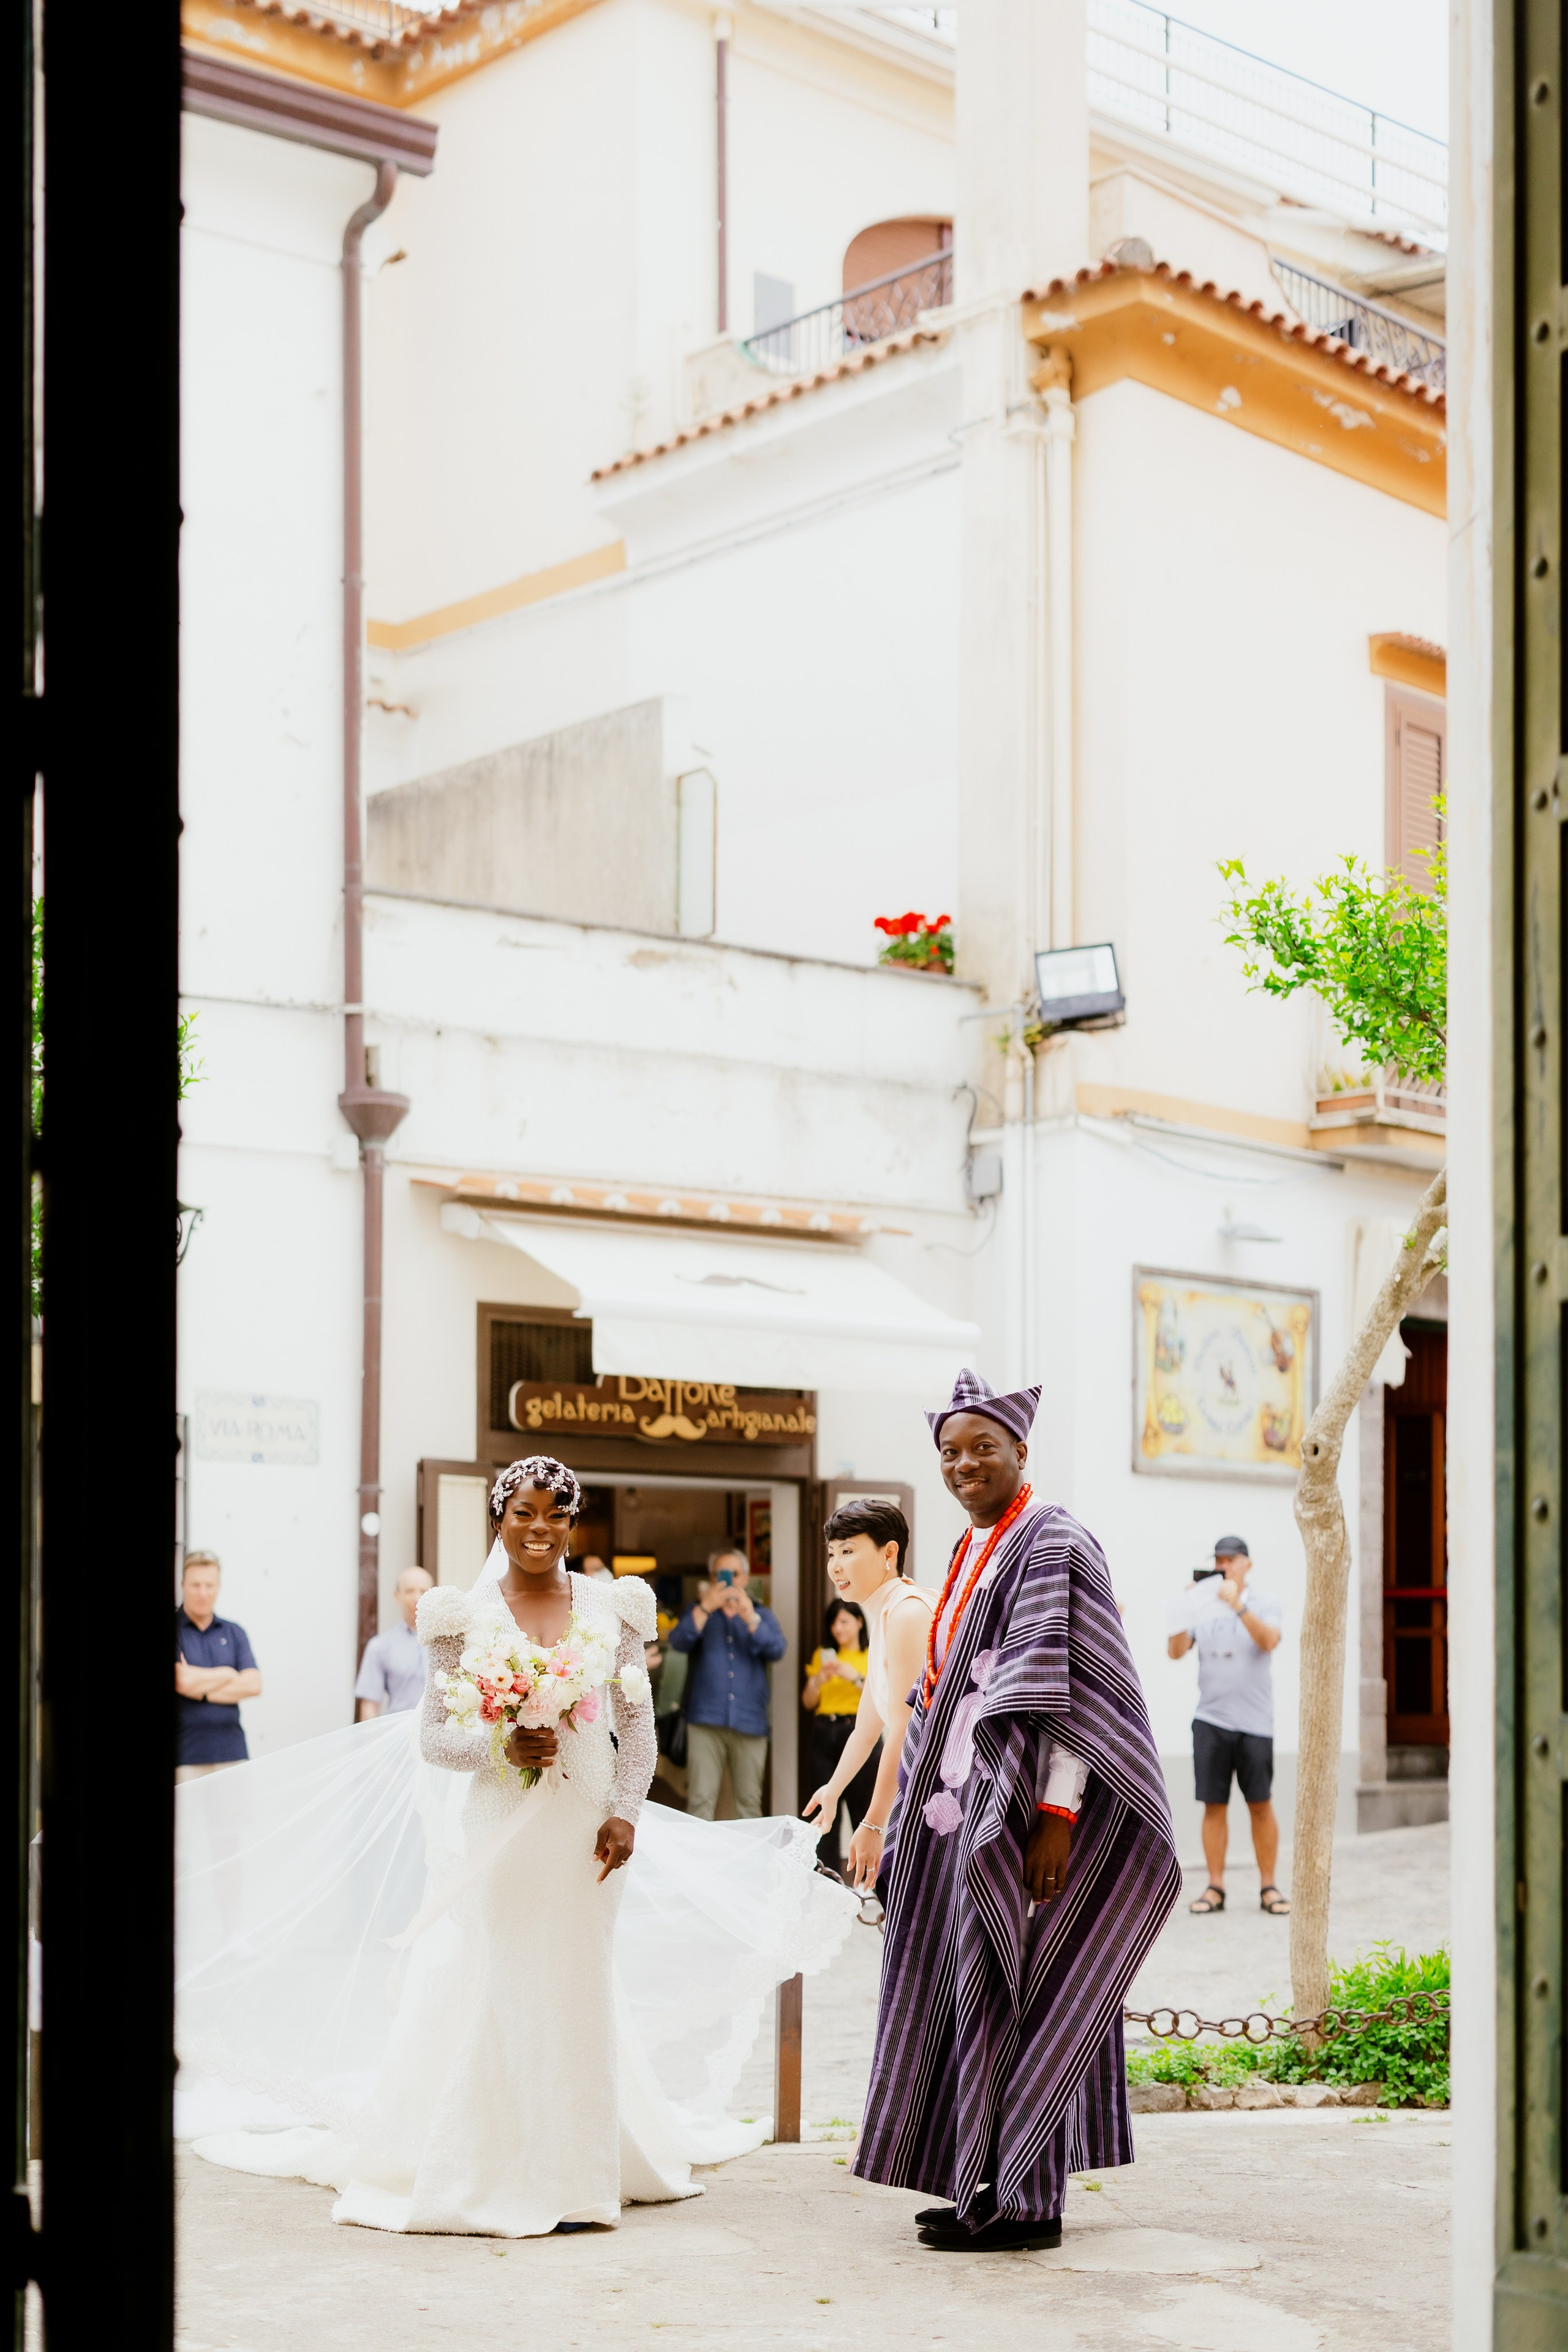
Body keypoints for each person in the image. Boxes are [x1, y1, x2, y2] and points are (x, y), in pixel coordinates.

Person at [179, 1455, 855, 2236]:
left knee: (577, 1978)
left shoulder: (616, 1607)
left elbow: (635, 1727)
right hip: (500, 1823)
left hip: (589, 1831)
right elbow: (435, 1737)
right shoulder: (456, 1617)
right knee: (505, 1974)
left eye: (556, 1516)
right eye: (523, 1515)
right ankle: (498, 2163)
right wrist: (499, 1746)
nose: (539, 1530)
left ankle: (578, 2169)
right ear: (498, 1520)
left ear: (574, 1522)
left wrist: (625, 1812)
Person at [853, 1370, 1181, 2255]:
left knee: (1023, 1990)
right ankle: (980, 2182)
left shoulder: (1054, 1541)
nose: (964, 1465)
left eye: (982, 1448)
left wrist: (1057, 1816)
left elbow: (1070, 1698)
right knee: (975, 1991)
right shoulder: (977, 1545)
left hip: (1022, 1814)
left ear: (1021, 1451)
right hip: (965, 1811)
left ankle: (1029, 2204)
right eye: (950, 1454)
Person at [801, 1502, 935, 1891]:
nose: (836, 1566)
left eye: (848, 1551)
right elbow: (867, 1725)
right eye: (832, 1554)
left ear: (889, 1553)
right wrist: (833, 1788)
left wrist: (875, 1822)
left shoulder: (908, 1614)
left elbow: (905, 1729)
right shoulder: (887, 1614)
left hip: (940, 1794)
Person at [1166, 1534, 1289, 1916]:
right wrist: (1187, 1610)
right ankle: (1215, 1887)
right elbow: (1174, 1653)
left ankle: (1269, 1886)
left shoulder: (1266, 1602)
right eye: (1219, 1560)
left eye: (1231, 1560)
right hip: (1211, 1720)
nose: (1224, 1567)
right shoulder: (1203, 1605)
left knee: (1260, 1805)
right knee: (1213, 1805)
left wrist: (1238, 1607)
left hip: (1255, 1723)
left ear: (1246, 1564)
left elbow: (1269, 1641)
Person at [668, 1548, 786, 1820]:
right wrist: (706, 1606)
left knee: (749, 1804)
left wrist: (749, 1618)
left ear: (745, 1578)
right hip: (705, 1720)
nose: (730, 1580)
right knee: (699, 1802)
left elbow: (777, 1649)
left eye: (735, 1574)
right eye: (723, 1574)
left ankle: (751, 1864)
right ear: (712, 1578)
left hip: (749, 1720)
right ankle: (699, 1863)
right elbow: (678, 1641)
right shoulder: (699, 1612)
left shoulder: (760, 1614)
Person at [801, 1598, 874, 1873]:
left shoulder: (870, 1655)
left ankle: (867, 1882)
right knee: (824, 1808)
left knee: (863, 1809)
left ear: (858, 1622)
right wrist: (819, 1679)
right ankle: (827, 1878)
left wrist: (854, 1677)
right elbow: (808, 1702)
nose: (838, 1629)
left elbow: (883, 1696)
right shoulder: (823, 1655)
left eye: (844, 1621)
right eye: (834, 1623)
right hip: (824, 1733)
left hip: (859, 1732)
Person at [175, 1550, 261, 1782]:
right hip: (185, 1755)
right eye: (196, 1585)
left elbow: (253, 1684)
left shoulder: (234, 1632)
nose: (203, 1593)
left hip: (232, 1753)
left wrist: (200, 1690)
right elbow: (181, 1681)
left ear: (219, 1586)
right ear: (183, 1585)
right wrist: (228, 1673)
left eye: (210, 1585)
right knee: (187, 1820)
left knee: (236, 1820)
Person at [353, 1566, 433, 1719]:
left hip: (443, 1738)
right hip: (401, 1738)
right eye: (409, 1591)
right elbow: (370, 1706)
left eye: (424, 1591)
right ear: (397, 1596)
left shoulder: (450, 1643)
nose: (417, 1598)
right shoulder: (379, 1647)